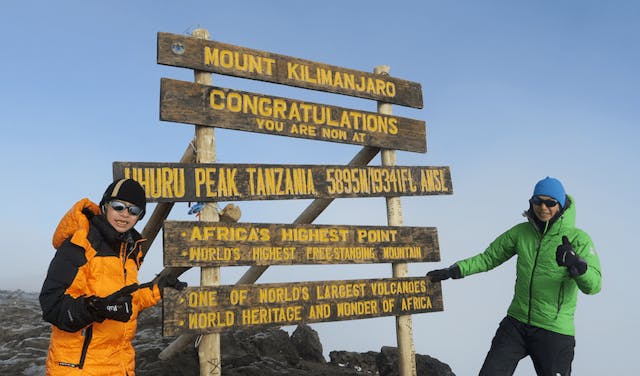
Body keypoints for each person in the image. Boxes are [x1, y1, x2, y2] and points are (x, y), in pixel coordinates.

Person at [427, 176, 601, 376]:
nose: (543, 207)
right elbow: (489, 258)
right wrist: (454, 270)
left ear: (560, 205)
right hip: (516, 324)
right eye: (538, 201)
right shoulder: (521, 233)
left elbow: (594, 286)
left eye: (550, 203)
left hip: (554, 330)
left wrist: (578, 266)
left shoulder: (579, 239)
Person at [40, 178, 185, 375]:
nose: (125, 215)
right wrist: (96, 307)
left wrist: (156, 289)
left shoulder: (130, 250)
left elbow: (124, 300)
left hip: (120, 364)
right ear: (105, 205)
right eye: (119, 207)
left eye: (134, 211)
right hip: (78, 368)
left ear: (139, 217)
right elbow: (52, 306)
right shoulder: (80, 245)